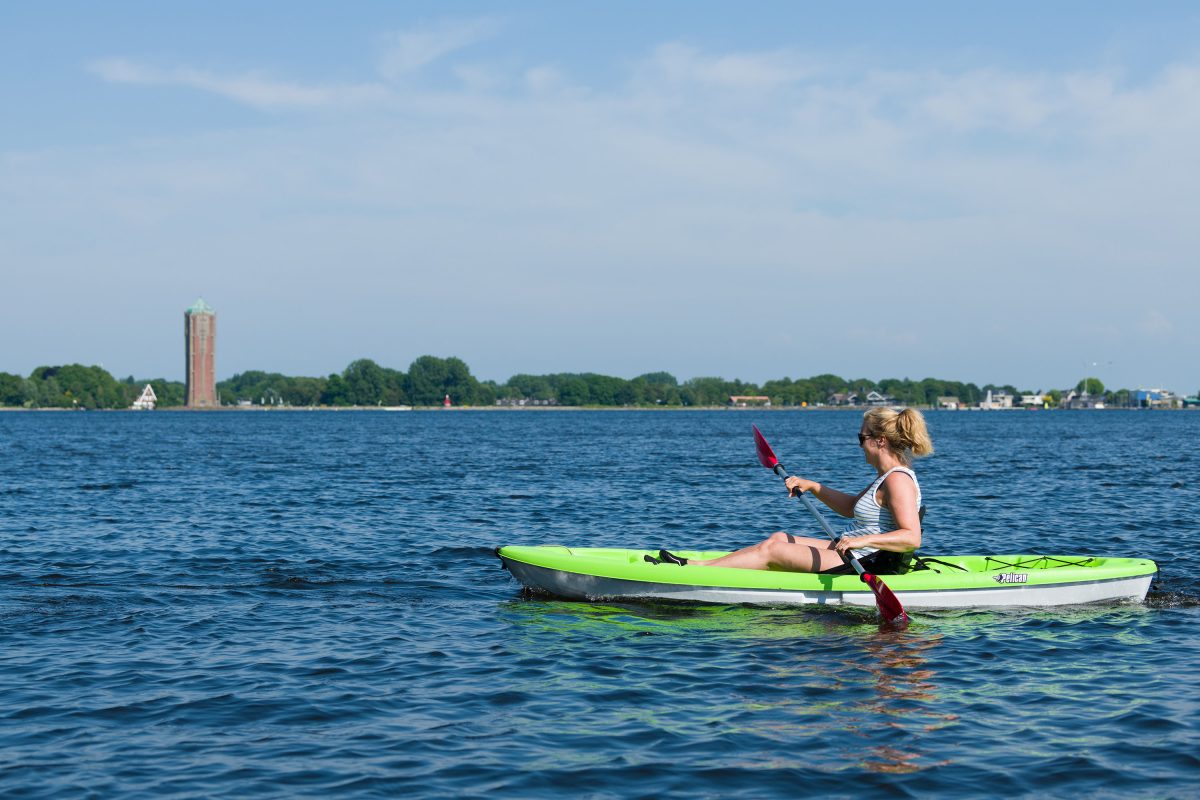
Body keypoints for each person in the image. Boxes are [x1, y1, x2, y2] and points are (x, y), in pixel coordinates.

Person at [648, 407, 933, 574]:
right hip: (857, 550)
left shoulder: (897, 481)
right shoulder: (884, 477)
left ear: (880, 441)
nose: (859, 443)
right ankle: (703, 565)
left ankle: (696, 571)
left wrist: (859, 543)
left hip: (865, 561)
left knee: (773, 550)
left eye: (862, 437)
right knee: (779, 537)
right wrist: (813, 486)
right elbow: (850, 508)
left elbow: (911, 537)